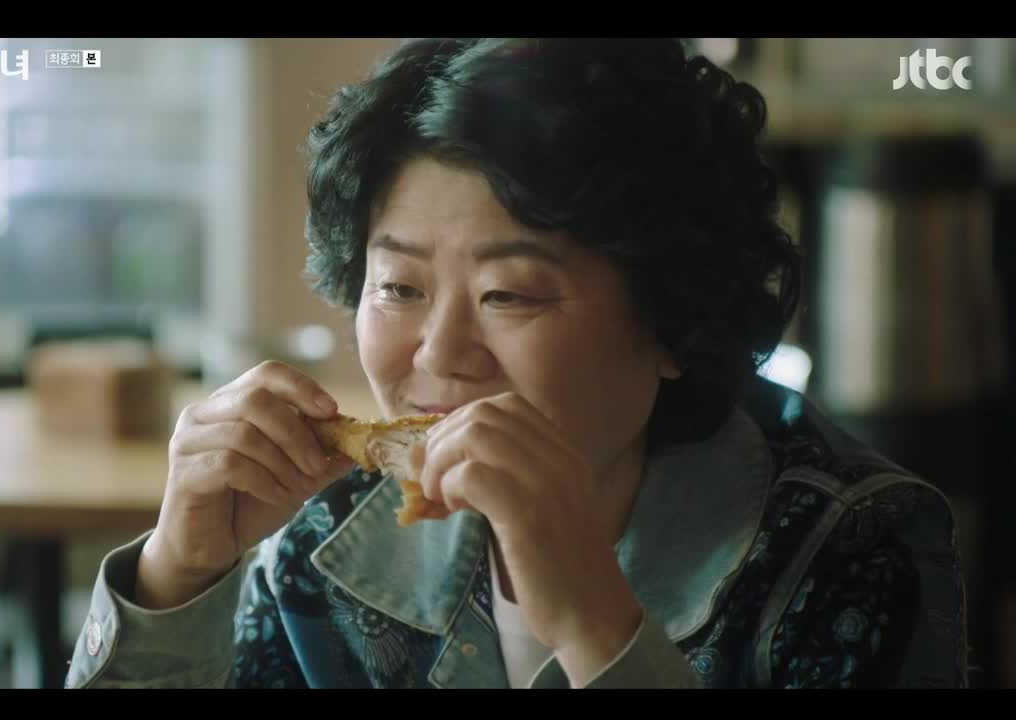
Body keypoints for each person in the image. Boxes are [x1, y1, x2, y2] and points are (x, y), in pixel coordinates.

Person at [64, 38, 968, 689]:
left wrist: (593, 620)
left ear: (672, 321)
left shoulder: (854, 553)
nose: (438, 353)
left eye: (510, 296)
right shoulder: (322, 540)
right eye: (399, 287)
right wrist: (178, 575)